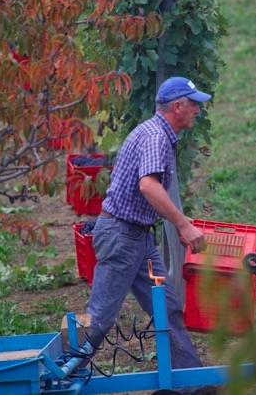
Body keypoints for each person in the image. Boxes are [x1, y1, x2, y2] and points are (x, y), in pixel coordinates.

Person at [85, 76, 215, 394]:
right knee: (100, 319)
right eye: (194, 104)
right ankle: (56, 375)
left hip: (138, 238)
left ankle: (190, 386)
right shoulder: (156, 136)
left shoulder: (156, 133)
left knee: (166, 307)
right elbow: (148, 186)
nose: (197, 110)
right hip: (121, 236)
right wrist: (183, 224)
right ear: (177, 106)